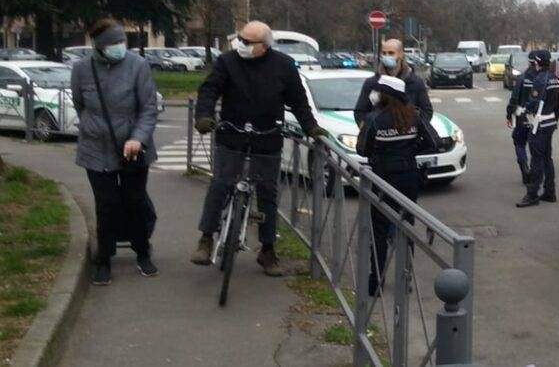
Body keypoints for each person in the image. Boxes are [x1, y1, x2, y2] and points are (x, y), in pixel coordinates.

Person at [191, 21, 327, 276]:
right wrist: (204, 116)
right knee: (220, 184)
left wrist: (311, 128)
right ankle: (206, 238)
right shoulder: (227, 62)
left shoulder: (283, 66)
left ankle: (267, 250)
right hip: (232, 134)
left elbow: (298, 101)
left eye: (247, 41)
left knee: (268, 193)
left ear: (264, 46)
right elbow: (209, 90)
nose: (240, 44)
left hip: (267, 137)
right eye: (240, 39)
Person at [71, 19, 160, 285]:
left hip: (133, 149)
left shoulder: (138, 66)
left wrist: (137, 138)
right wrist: (92, 126)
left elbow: (148, 108)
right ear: (99, 46)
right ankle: (104, 258)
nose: (119, 47)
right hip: (96, 148)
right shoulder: (82, 69)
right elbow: (79, 103)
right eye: (113, 43)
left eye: (122, 42)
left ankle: (142, 251)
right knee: (106, 204)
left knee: (135, 201)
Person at [356, 75, 433, 295]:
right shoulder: (413, 117)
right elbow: (432, 142)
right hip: (409, 178)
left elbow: (362, 149)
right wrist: (408, 152)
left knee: (378, 230)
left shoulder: (374, 119)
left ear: (384, 95)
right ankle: (405, 277)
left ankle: (376, 280)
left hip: (382, 178)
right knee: (406, 227)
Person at [516, 50, 559, 208]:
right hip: (550, 123)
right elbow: (558, 106)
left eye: (534, 62)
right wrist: (555, 121)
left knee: (536, 160)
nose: (533, 64)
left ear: (537, 62)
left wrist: (523, 112)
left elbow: (533, 103)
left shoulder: (540, 80)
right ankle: (550, 191)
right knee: (547, 158)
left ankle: (532, 194)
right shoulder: (556, 79)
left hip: (539, 124)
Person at [354, 39, 432, 126]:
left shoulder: (415, 83)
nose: (386, 56)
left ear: (401, 55)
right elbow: (359, 113)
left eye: (391, 53)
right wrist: (369, 130)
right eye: (384, 53)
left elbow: (427, 111)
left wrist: (415, 128)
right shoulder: (372, 83)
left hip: (408, 136)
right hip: (380, 137)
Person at [505, 51, 538, 184]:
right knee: (536, 146)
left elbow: (514, 99)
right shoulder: (544, 78)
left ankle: (524, 167)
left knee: (519, 142)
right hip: (539, 117)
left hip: (522, 116)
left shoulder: (522, 78)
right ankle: (536, 172)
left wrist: (509, 114)